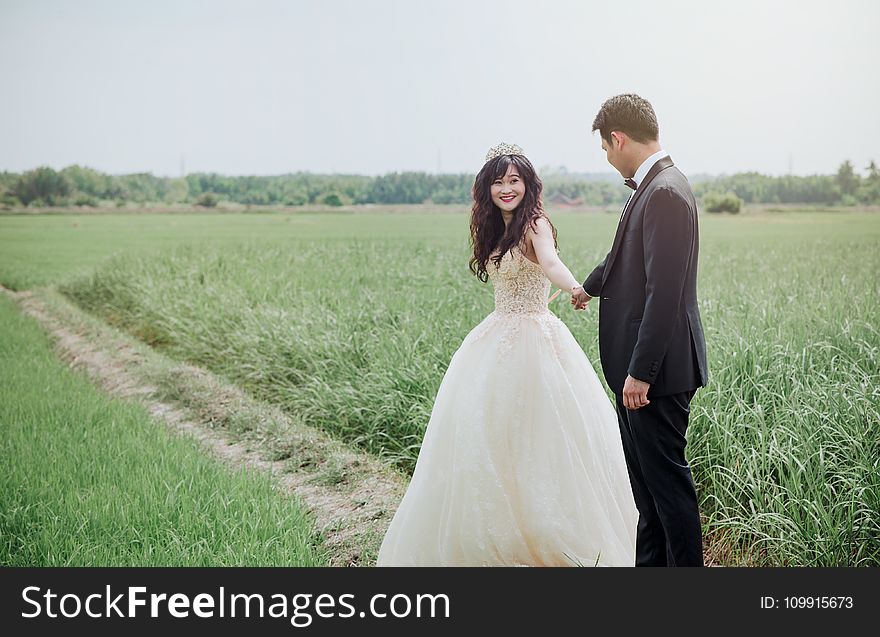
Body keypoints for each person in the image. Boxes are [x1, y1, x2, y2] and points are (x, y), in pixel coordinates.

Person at [376, 142, 638, 566]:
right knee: (489, 437)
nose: (506, 188)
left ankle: (551, 537)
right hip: (496, 338)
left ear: (527, 184)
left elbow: (550, 263)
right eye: (498, 182)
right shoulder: (495, 228)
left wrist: (575, 287)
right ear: (488, 189)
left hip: (536, 340)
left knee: (542, 436)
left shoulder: (536, 223)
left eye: (514, 180)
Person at [572, 94, 709, 567]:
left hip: (656, 375)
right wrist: (588, 287)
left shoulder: (666, 192)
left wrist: (641, 373)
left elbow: (665, 293)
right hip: (641, 373)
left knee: (667, 493)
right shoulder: (653, 187)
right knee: (647, 498)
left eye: (606, 149)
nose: (608, 159)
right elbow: (624, 257)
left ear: (618, 138)